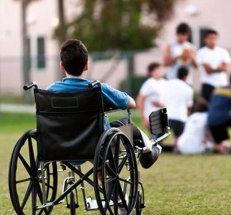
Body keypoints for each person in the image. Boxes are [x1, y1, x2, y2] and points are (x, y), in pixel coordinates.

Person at [47, 39, 161, 169]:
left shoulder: (51, 91)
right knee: (128, 126)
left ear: (61, 65)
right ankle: (150, 152)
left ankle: (108, 173)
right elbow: (132, 103)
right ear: (86, 65)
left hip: (61, 145)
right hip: (95, 145)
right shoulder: (97, 89)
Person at [207, 72, 231, 153]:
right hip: (221, 120)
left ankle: (216, 146)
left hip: (210, 121)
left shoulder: (217, 89)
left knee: (220, 144)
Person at [197, 29, 231, 101]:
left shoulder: (223, 51)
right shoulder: (202, 52)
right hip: (208, 84)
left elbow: (226, 68)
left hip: (222, 84)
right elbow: (208, 70)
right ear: (205, 39)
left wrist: (213, 68)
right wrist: (219, 68)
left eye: (214, 38)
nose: (212, 41)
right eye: (210, 38)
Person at [164, 66, 194, 150]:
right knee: (178, 137)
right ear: (186, 76)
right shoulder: (188, 88)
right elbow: (189, 106)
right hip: (180, 117)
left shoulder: (169, 83)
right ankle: (175, 147)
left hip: (167, 115)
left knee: (159, 138)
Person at [137, 62, 167, 130]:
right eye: (158, 70)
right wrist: (143, 118)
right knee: (155, 137)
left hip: (163, 114)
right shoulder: (149, 83)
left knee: (163, 136)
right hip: (152, 115)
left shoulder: (165, 83)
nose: (160, 71)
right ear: (152, 72)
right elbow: (140, 100)